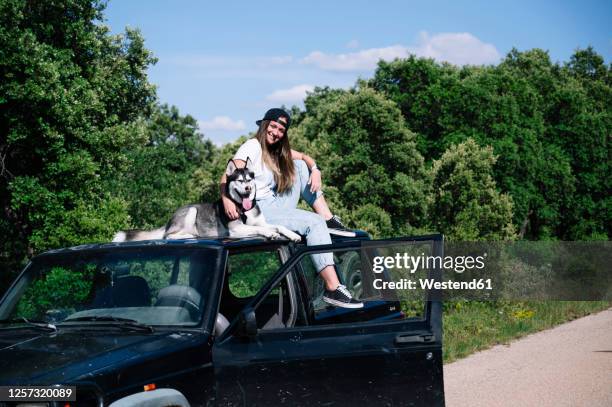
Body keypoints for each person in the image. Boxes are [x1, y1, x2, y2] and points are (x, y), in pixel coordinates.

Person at [220, 108, 363, 308]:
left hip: (275, 204)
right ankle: (333, 288)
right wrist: (226, 198)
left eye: (281, 130)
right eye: (273, 126)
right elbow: (230, 171)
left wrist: (315, 170)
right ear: (265, 125)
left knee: (300, 167)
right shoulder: (252, 146)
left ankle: (329, 219)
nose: (276, 132)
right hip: (258, 210)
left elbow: (304, 157)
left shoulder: (275, 150)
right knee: (314, 223)